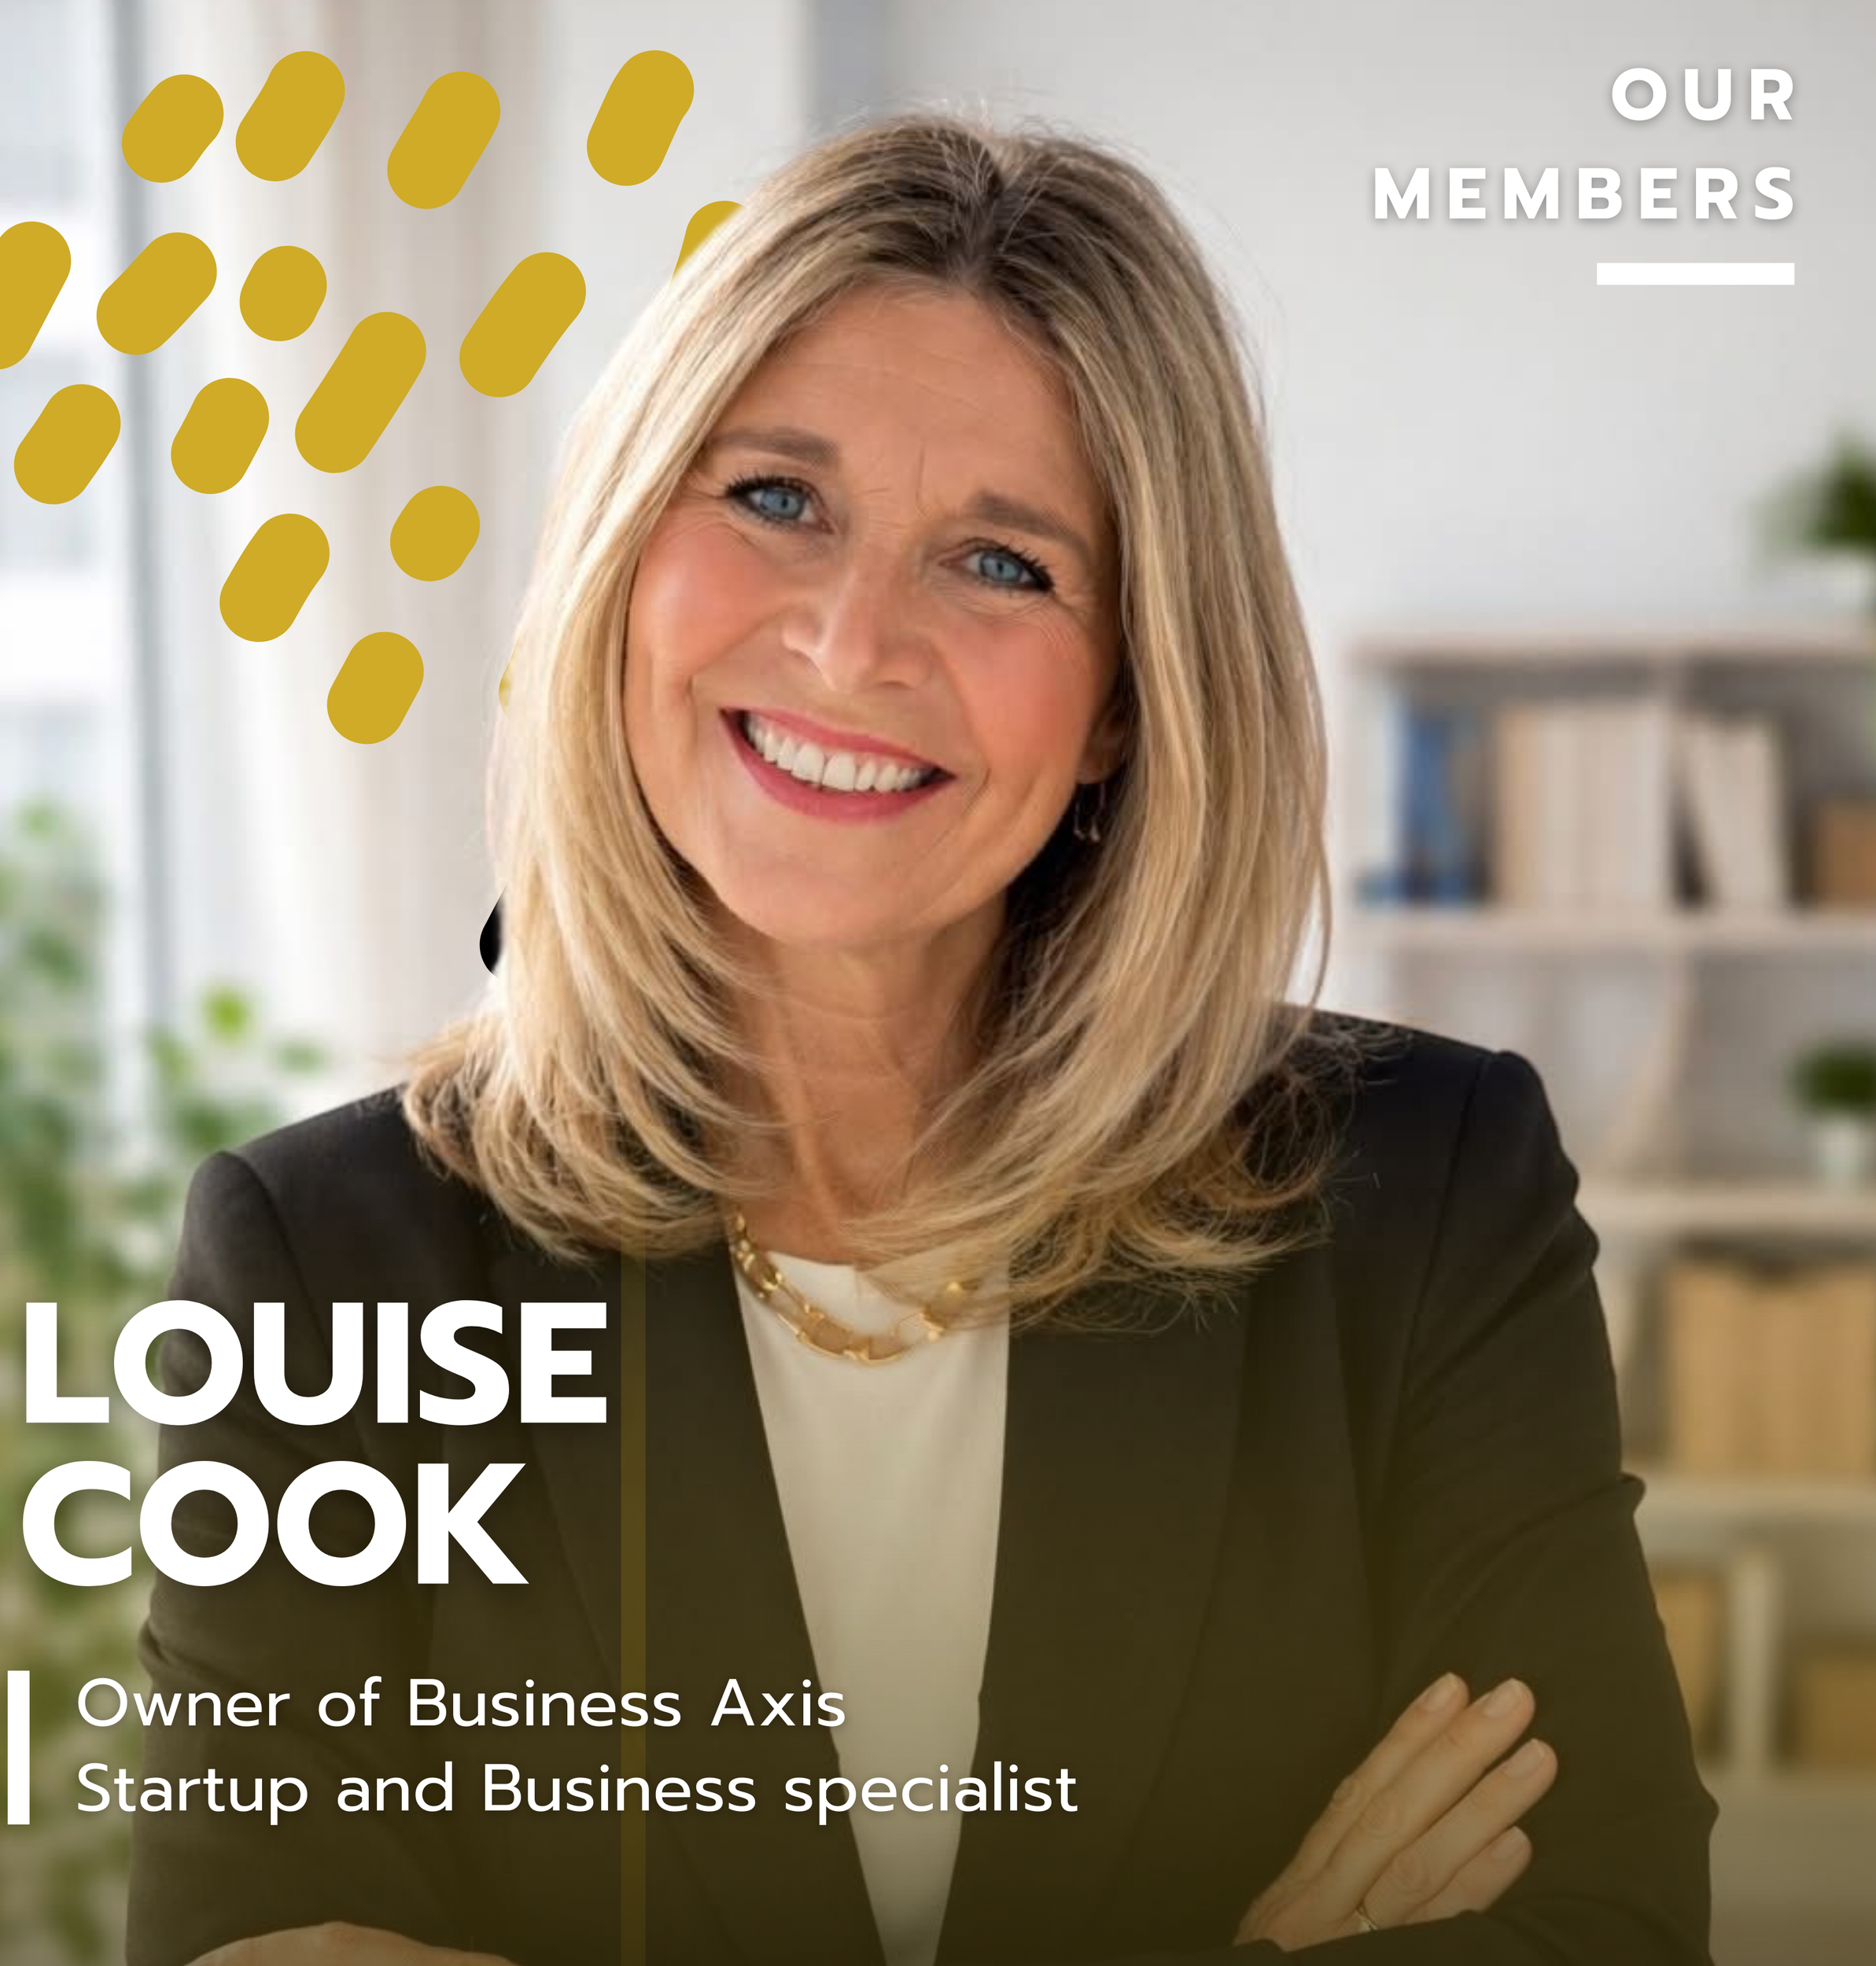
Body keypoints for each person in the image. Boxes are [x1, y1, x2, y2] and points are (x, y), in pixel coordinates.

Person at [127, 111, 1716, 1966]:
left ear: (1131, 696)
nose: (846, 644)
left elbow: (1596, 1918)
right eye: (775, 499)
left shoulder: (1422, 1195)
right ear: (628, 548)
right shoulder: (323, 1263)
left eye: (1002, 565)